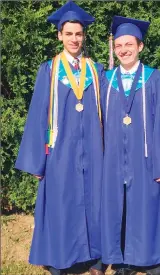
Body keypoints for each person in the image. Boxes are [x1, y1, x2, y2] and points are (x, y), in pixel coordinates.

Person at [15, 1, 104, 275]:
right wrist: (36, 160)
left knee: (94, 200)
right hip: (61, 149)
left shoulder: (96, 71)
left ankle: (95, 257)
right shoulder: (49, 70)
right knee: (61, 201)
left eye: (78, 34)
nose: (74, 39)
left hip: (92, 149)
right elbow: (38, 113)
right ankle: (60, 259)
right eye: (69, 34)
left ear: (84, 36)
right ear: (59, 36)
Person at [101, 16, 160, 275]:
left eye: (129, 44)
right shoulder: (106, 80)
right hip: (114, 159)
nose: (124, 49)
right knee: (121, 207)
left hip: (146, 158)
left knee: (148, 205)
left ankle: (151, 259)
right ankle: (125, 261)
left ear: (140, 46)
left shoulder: (154, 79)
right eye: (119, 45)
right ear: (114, 49)